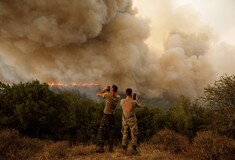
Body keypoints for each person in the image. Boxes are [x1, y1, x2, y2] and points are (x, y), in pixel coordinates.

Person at [96, 85, 121, 153]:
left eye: (111, 90)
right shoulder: (118, 97)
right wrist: (109, 91)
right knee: (111, 131)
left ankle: (101, 148)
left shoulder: (108, 95)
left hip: (107, 115)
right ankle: (110, 148)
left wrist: (104, 89)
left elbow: (98, 94)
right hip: (113, 115)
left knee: (101, 131)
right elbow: (114, 95)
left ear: (112, 90)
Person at [120, 88, 142, 154]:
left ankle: (124, 149)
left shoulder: (122, 101)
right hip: (132, 120)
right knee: (134, 134)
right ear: (131, 93)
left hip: (124, 120)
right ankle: (134, 150)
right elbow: (140, 106)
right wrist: (137, 99)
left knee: (125, 134)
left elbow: (122, 106)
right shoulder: (134, 102)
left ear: (126, 93)